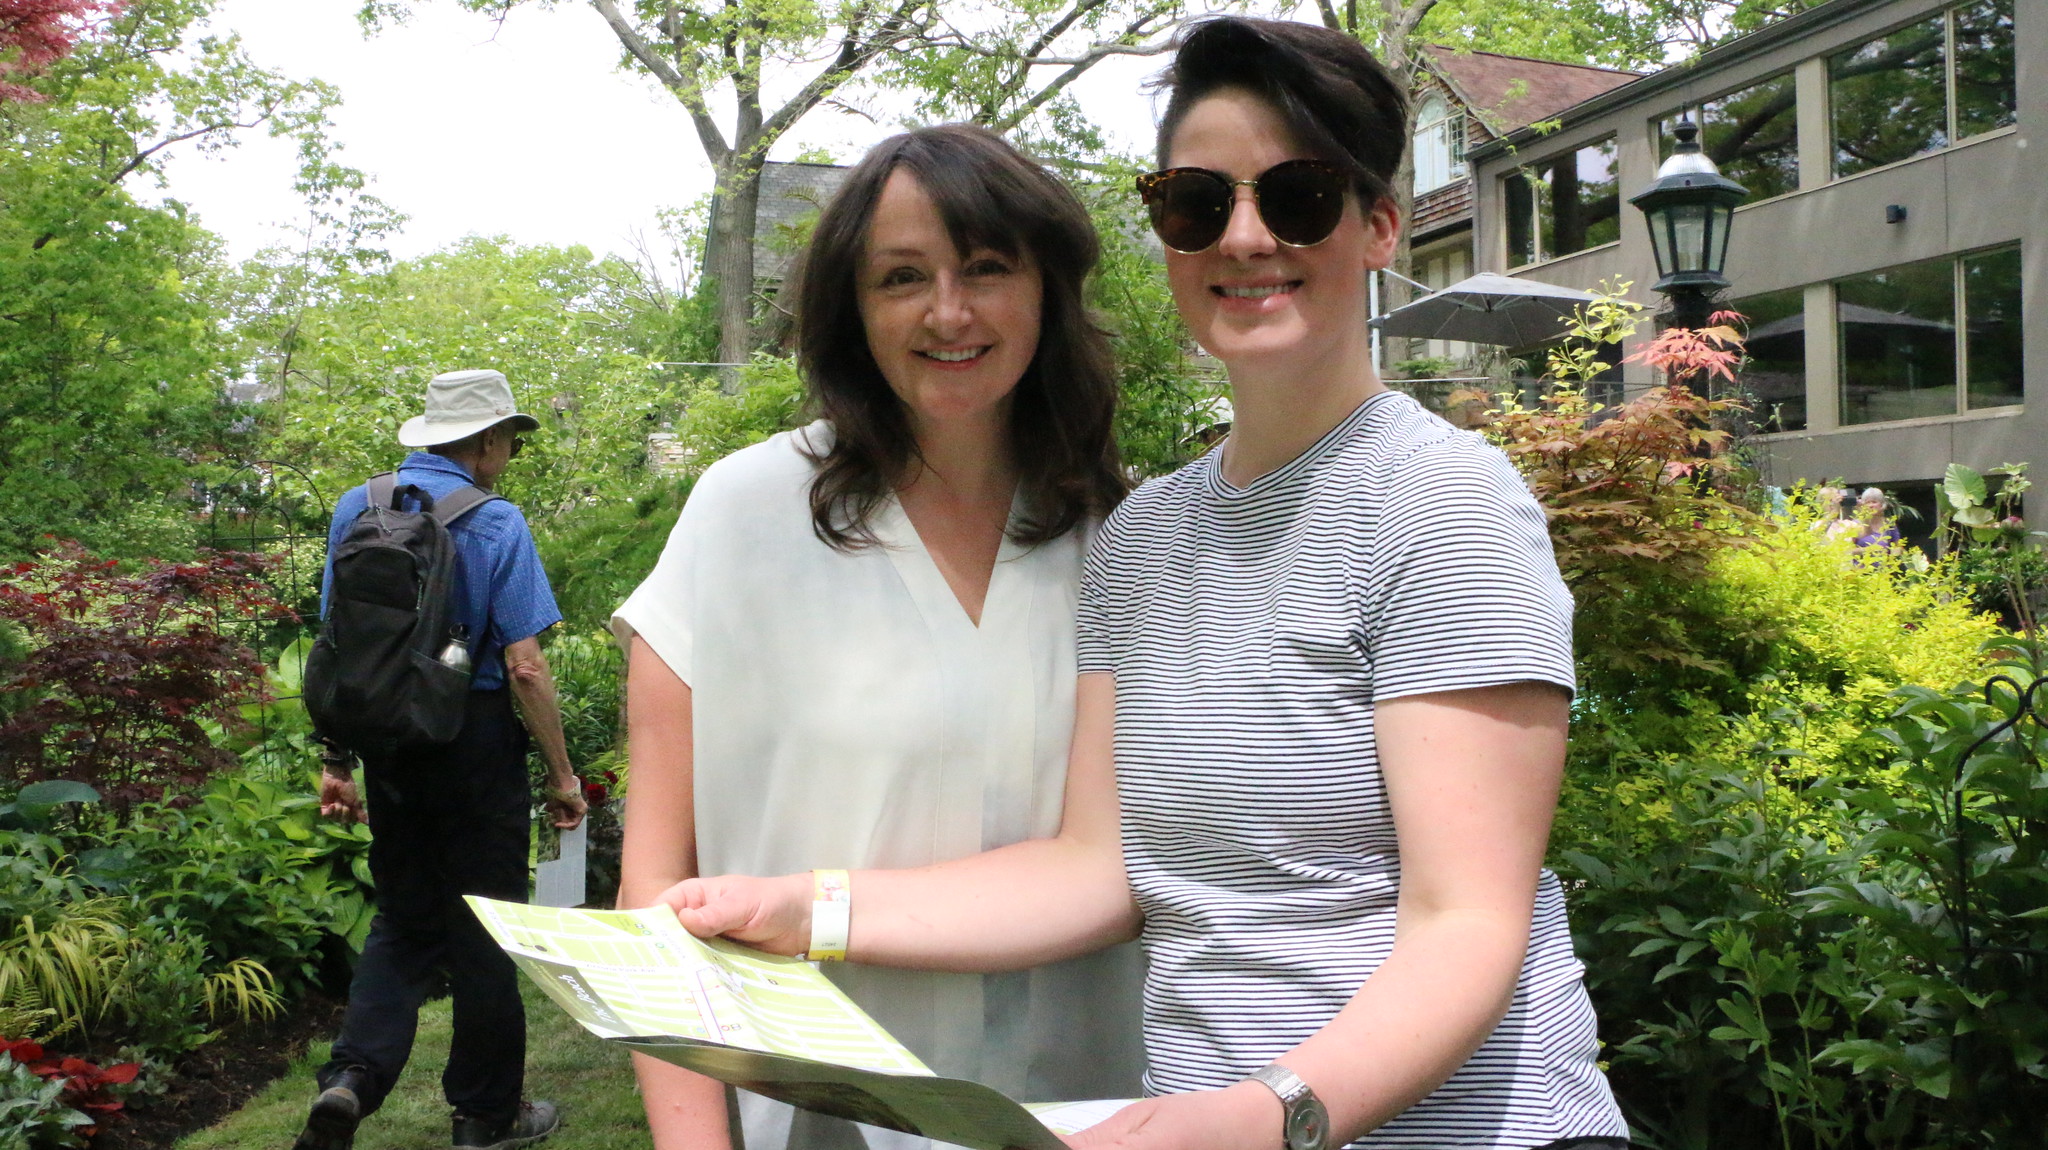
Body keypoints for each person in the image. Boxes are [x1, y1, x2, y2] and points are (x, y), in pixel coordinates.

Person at [659, 18, 1630, 1150]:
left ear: (1375, 226)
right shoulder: (1141, 534)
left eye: (1299, 197)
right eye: (1198, 203)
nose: (1247, 237)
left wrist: (1267, 1114)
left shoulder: (1440, 505)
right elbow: (1093, 868)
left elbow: (1465, 923)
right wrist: (808, 908)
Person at [609, 123, 1146, 1150]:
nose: (948, 310)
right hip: (823, 1121)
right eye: (901, 276)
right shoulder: (740, 516)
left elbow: (1128, 859)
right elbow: (652, 893)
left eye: (986, 267)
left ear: (1045, 291)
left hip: (1087, 1112)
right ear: (852, 309)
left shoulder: (1115, 537)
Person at [297, 368, 588, 1150]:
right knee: (486, 929)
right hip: (475, 740)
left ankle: (352, 1081)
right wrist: (562, 775)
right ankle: (486, 1116)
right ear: (487, 440)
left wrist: (337, 759)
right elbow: (524, 663)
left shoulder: (359, 506)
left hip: (393, 744)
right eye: (510, 441)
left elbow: (339, 643)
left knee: (403, 918)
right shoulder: (497, 522)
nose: (511, 455)